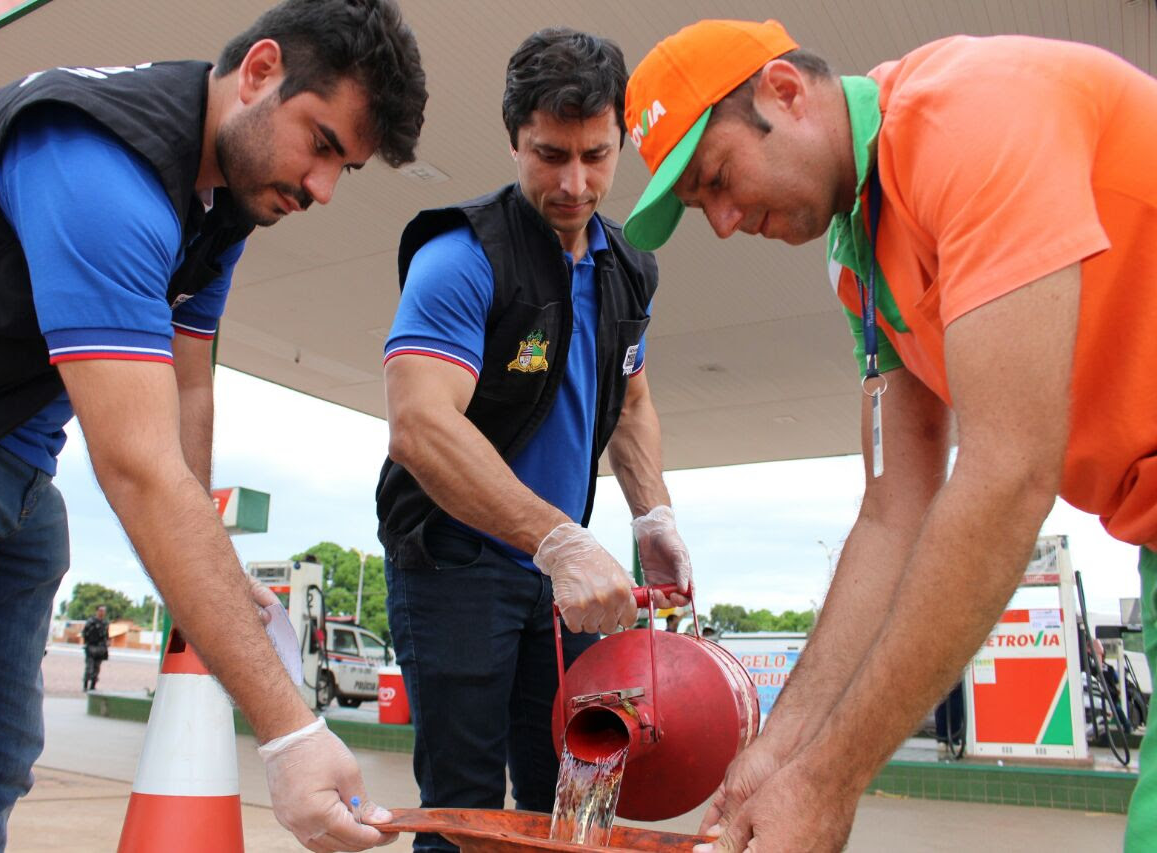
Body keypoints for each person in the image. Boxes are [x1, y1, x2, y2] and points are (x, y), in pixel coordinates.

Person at [0, 1, 426, 849]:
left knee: (2, 760)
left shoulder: (221, 206)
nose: (321, 188)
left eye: (343, 168)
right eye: (321, 142)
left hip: (15, 462)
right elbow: (135, 466)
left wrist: (204, 560)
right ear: (259, 71)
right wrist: (286, 733)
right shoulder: (103, 164)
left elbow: (187, 390)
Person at [621, 18, 1157, 853]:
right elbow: (892, 509)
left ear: (786, 92)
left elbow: (1008, 471)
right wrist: (781, 750)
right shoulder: (858, 260)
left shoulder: (970, 121)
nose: (723, 221)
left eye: (717, 177)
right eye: (701, 207)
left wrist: (829, 781)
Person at [376, 27, 691, 852]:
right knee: (468, 807)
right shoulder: (461, 257)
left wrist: (652, 517)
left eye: (597, 154)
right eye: (551, 154)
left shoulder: (629, 269)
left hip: (571, 581)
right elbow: (420, 424)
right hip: (456, 563)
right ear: (515, 136)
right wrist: (554, 538)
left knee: (576, 790)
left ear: (621, 140)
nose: (576, 182)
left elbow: (629, 401)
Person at [82, 605, 110, 692]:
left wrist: (107, 643)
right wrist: (87, 643)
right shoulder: (91, 621)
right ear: (97, 611)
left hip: (100, 648)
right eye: (100, 610)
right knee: (89, 668)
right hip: (91, 646)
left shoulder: (105, 623)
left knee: (97, 668)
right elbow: (84, 633)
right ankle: (85, 687)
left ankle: (93, 686)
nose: (102, 612)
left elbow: (106, 635)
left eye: (104, 611)